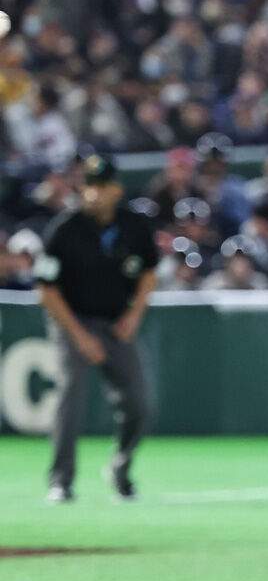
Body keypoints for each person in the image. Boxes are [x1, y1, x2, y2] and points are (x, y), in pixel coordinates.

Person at [34, 155, 157, 503]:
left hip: (117, 322)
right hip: (73, 321)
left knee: (140, 403)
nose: (94, 193)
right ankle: (61, 480)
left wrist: (134, 316)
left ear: (116, 189)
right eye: (88, 185)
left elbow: (149, 272)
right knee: (69, 395)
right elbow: (46, 289)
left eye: (101, 186)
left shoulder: (134, 225)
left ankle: (121, 464)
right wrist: (80, 337)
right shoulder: (64, 229)